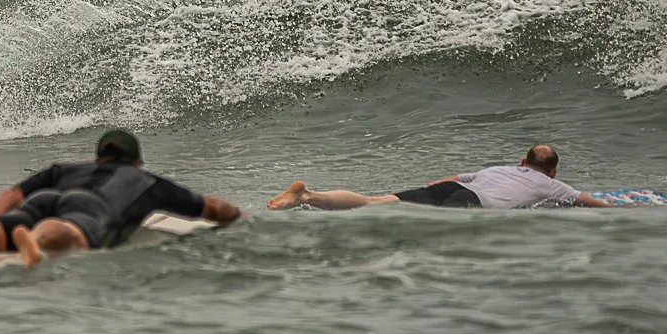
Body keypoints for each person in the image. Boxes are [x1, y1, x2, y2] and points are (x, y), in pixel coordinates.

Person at [0, 129, 242, 266]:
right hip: (86, 212)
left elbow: (11, 194)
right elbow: (213, 208)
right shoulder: (146, 181)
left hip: (43, 199)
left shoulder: (65, 169)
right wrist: (236, 216)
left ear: (99, 156)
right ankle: (33, 241)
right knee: (69, 231)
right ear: (136, 159)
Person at [266, 144, 624, 211]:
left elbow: (453, 176)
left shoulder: (497, 169)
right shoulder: (551, 184)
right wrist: (619, 208)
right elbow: (587, 202)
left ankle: (308, 196)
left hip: (452, 188)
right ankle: (306, 198)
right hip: (471, 203)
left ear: (522, 161)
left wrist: (427, 189)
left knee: (375, 202)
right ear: (553, 170)